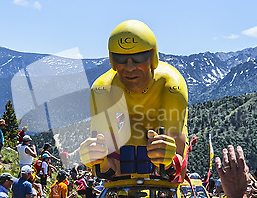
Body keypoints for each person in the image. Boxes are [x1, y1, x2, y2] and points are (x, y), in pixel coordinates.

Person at [79, 20, 188, 180]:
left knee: (166, 161)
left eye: (139, 58)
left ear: (153, 58)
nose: (129, 67)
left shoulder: (171, 85)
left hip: (159, 166)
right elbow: (107, 169)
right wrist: (96, 159)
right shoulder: (102, 89)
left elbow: (178, 160)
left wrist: (169, 162)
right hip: (123, 161)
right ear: (112, 60)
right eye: (121, 59)